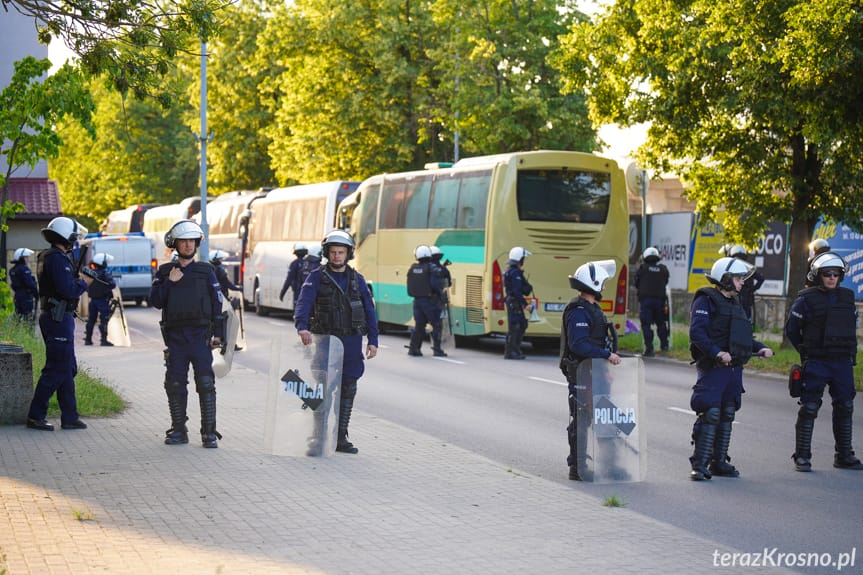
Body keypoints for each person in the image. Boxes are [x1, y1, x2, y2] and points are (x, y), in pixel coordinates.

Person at [688, 256, 773, 481]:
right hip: (713, 365)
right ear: (725, 279)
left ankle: (719, 462)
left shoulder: (736, 304)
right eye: (737, 278)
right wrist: (717, 352)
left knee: (727, 412)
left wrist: (761, 347)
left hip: (734, 367)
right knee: (711, 411)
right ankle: (700, 464)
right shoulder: (706, 301)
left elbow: (743, 336)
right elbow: (697, 333)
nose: (742, 282)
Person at [294, 229, 379, 454]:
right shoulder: (316, 277)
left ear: (348, 254)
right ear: (327, 253)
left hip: (351, 341)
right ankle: (318, 438)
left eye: (341, 252)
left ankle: (340, 437)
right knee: (323, 390)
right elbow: (303, 303)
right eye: (333, 252)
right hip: (326, 341)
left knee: (348, 389)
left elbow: (369, 310)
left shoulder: (357, 279)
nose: (337, 256)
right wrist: (302, 327)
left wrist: (373, 340)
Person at [149, 219, 225, 448]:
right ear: (176, 244)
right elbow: (156, 301)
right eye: (184, 241)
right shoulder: (165, 272)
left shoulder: (206, 271)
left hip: (200, 337)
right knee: (174, 384)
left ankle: (209, 434)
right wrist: (169, 283)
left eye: (192, 241)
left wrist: (218, 335)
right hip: (176, 339)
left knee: (205, 383)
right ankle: (179, 431)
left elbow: (217, 304)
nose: (188, 245)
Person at [785, 251, 863, 472]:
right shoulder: (805, 300)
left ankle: (844, 455)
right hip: (817, 361)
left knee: (845, 406)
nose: (831, 277)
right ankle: (802, 457)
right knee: (809, 407)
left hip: (842, 362)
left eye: (836, 274)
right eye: (827, 273)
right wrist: (806, 351)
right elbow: (792, 330)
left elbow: (851, 327)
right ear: (817, 275)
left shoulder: (847, 298)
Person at [26, 216, 93, 431]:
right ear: (66, 238)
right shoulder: (56, 258)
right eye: (73, 238)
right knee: (56, 368)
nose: (74, 242)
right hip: (57, 318)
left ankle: (70, 416)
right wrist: (84, 282)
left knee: (67, 367)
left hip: (57, 317)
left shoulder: (50, 257)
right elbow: (68, 290)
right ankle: (36, 415)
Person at [559, 260, 622, 481]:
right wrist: (606, 356)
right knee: (583, 419)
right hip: (582, 373)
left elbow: (599, 341)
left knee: (605, 416)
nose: (604, 287)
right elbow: (579, 345)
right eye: (602, 283)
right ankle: (578, 467)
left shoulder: (593, 309)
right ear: (593, 283)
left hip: (596, 372)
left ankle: (611, 465)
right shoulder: (578, 310)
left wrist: (605, 367)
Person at [406, 245, 447, 357]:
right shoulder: (431, 268)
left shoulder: (413, 268)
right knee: (437, 325)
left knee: (419, 325)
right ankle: (437, 349)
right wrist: (440, 294)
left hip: (417, 302)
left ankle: (414, 348)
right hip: (430, 301)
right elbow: (435, 284)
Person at [634, 246, 670, 356]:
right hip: (660, 302)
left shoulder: (642, 268)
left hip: (646, 302)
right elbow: (666, 281)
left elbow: (636, 283)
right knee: (661, 323)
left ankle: (649, 349)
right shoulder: (663, 269)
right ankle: (664, 346)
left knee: (646, 325)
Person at [719, 244, 764, 322]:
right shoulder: (746, 267)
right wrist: (752, 290)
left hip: (741, 299)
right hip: (740, 298)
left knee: (743, 320)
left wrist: (751, 290)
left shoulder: (744, 267)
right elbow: (761, 278)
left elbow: (761, 278)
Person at [503, 246, 533, 360]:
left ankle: (514, 350)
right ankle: (511, 351)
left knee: (521, 324)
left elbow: (523, 289)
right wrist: (526, 305)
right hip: (514, 302)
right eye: (523, 259)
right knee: (515, 327)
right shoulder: (515, 273)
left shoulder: (512, 272)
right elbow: (516, 291)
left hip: (513, 302)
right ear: (519, 259)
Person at [84, 252, 117, 347]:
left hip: (93, 301)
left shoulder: (92, 273)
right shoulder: (104, 274)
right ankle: (103, 340)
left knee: (91, 320)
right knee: (104, 320)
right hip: (102, 300)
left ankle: (88, 340)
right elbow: (113, 284)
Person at [9, 247, 39, 321]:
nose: (27, 259)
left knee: (17, 317)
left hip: (17, 296)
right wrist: (36, 294)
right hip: (26, 297)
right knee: (28, 319)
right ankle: (28, 332)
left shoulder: (13, 270)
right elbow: (30, 284)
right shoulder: (24, 269)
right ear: (21, 258)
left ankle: (16, 332)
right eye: (26, 257)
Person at [279, 242, 309, 309]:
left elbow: (289, 279)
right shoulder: (309, 264)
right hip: (309, 293)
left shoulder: (294, 264)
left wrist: (282, 292)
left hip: (298, 292)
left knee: (297, 311)